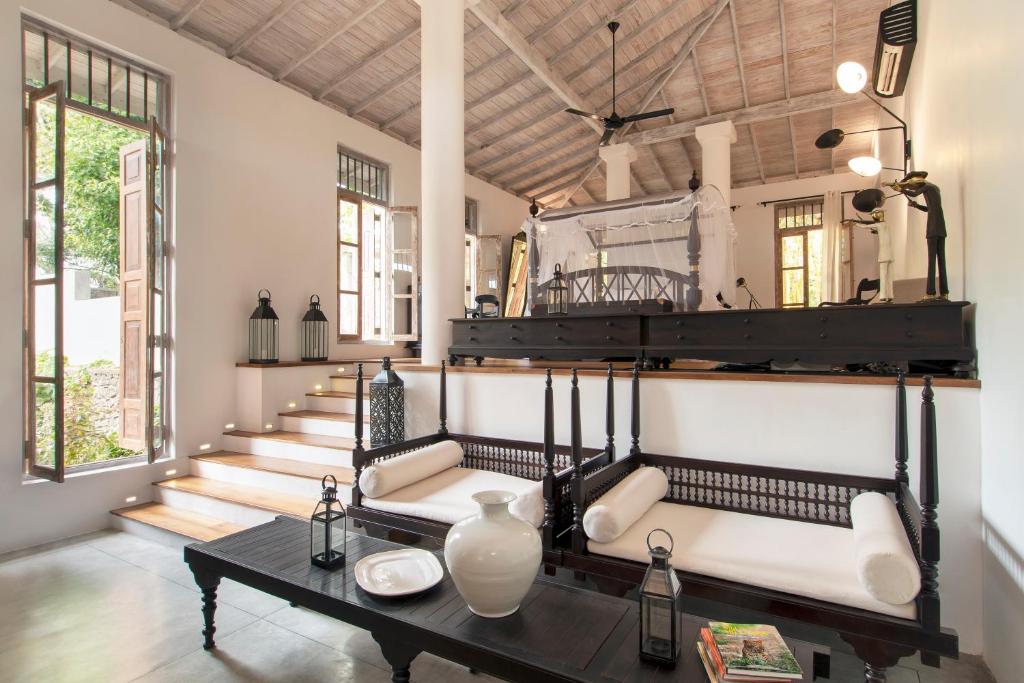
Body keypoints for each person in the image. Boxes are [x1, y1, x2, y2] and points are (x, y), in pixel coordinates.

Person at [891, 172, 948, 300]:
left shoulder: (927, 186)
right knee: (941, 261)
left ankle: (931, 292)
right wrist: (916, 205)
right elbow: (930, 209)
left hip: (933, 228)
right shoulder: (935, 188)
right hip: (941, 228)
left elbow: (914, 194)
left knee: (932, 261)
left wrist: (900, 189)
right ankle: (944, 292)